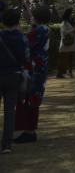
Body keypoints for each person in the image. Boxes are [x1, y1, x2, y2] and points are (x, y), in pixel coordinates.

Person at [14, 5, 50, 144]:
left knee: (28, 97)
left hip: (33, 68)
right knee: (34, 97)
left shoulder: (39, 31)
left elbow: (25, 42)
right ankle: (30, 129)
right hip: (40, 67)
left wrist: (17, 31)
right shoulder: (45, 29)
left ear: (37, 18)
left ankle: (28, 131)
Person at [0, 8, 29, 154]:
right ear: (17, 22)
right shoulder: (22, 38)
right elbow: (25, 57)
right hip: (14, 75)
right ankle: (6, 144)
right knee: (10, 111)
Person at [56, 8, 75, 79]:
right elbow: (64, 32)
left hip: (70, 43)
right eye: (71, 13)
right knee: (63, 58)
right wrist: (73, 30)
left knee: (69, 58)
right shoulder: (64, 23)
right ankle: (60, 73)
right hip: (65, 43)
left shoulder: (69, 22)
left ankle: (68, 72)